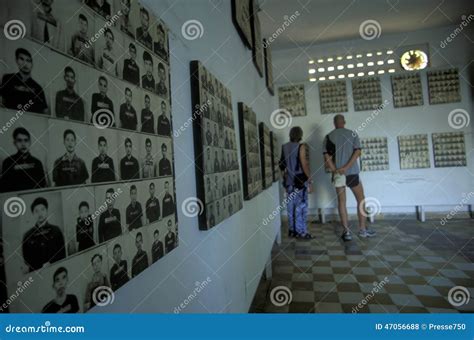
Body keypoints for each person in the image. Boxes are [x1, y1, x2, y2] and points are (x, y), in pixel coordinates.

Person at [323, 114, 376, 241]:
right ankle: (362, 230)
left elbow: (327, 157)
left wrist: (336, 170)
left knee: (342, 202)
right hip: (352, 173)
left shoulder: (328, 137)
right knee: (361, 200)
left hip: (338, 174)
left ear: (334, 123)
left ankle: (347, 232)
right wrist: (347, 167)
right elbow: (357, 152)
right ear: (344, 122)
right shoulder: (352, 134)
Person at [279, 126, 313, 239]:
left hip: (289, 181)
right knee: (301, 206)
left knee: (290, 206)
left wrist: (285, 179)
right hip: (300, 180)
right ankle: (301, 232)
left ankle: (292, 230)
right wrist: (310, 178)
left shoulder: (284, 147)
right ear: (300, 135)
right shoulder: (301, 146)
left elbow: (282, 166)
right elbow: (304, 163)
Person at [22, 197, 66, 272]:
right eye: (36, 211)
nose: (40, 213)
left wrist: (51, 263)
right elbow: (26, 258)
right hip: (36, 273)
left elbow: (62, 253)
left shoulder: (56, 230)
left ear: (47, 211)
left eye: (42, 209)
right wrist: (40, 266)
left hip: (56, 270)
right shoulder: (28, 235)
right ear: (33, 214)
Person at [0, 48, 48, 114]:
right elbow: (1, 103)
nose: (25, 63)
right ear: (16, 60)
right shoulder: (8, 78)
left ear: (32, 64)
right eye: (21, 59)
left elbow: (45, 112)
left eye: (28, 60)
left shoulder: (37, 87)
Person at [0, 127, 47, 193]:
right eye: (19, 140)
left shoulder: (37, 163)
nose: (23, 144)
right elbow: (3, 189)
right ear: (15, 143)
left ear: (30, 142)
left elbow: (42, 186)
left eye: (26, 140)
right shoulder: (8, 162)